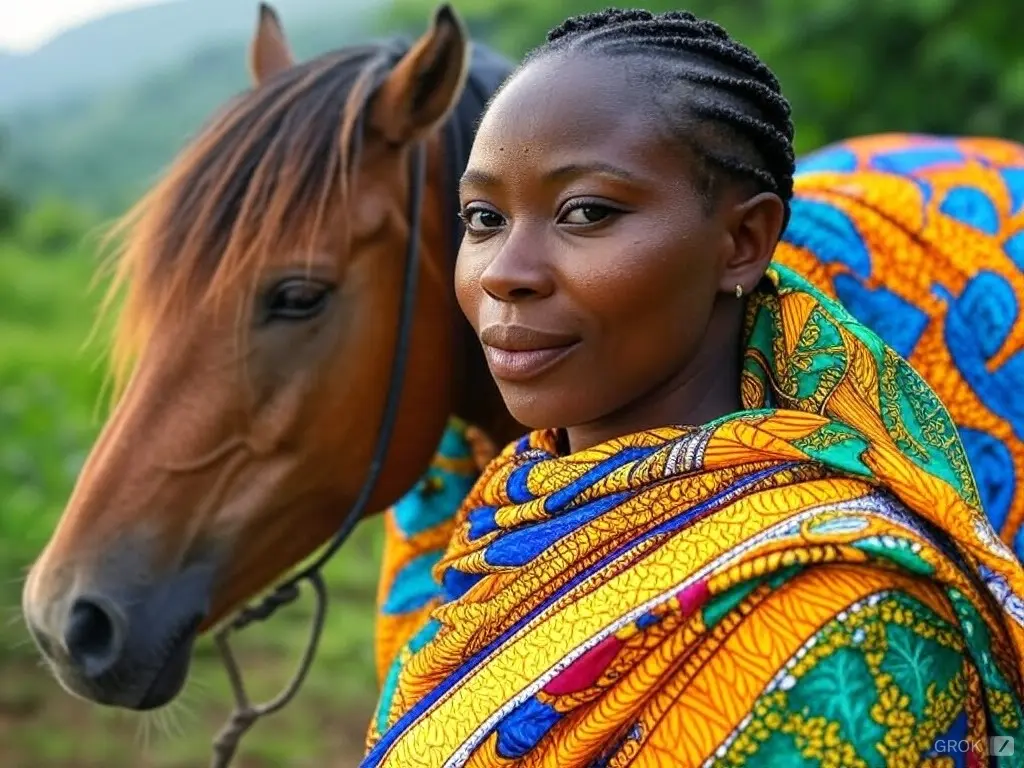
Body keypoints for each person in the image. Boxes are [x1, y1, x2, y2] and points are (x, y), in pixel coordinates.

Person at [363, 9, 1024, 766]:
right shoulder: (500, 532)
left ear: (742, 243)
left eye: (586, 212)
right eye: (483, 218)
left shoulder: (848, 614)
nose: (505, 272)